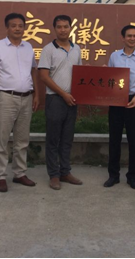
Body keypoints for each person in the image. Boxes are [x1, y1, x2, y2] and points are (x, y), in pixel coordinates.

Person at [0, 13, 40, 193]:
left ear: (24, 28)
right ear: (7, 28)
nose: (17, 28)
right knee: (2, 139)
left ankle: (19, 173)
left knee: (22, 139)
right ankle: (0, 176)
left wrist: (36, 94)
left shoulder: (28, 47)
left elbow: (33, 71)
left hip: (27, 98)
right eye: (13, 25)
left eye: (20, 26)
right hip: (7, 98)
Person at [104, 25, 135, 190]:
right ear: (123, 38)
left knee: (134, 140)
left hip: (134, 99)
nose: (132, 38)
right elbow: (109, 78)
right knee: (114, 139)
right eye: (129, 36)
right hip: (116, 100)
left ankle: (133, 176)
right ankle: (113, 175)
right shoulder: (114, 56)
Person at [38, 15, 83, 190]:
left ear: (71, 28)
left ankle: (65, 171)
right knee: (53, 139)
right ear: (54, 29)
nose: (63, 30)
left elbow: (79, 73)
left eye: (66, 26)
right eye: (59, 27)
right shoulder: (48, 49)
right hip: (55, 99)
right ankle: (54, 175)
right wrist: (63, 94)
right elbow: (43, 76)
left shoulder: (76, 49)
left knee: (67, 138)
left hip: (72, 100)